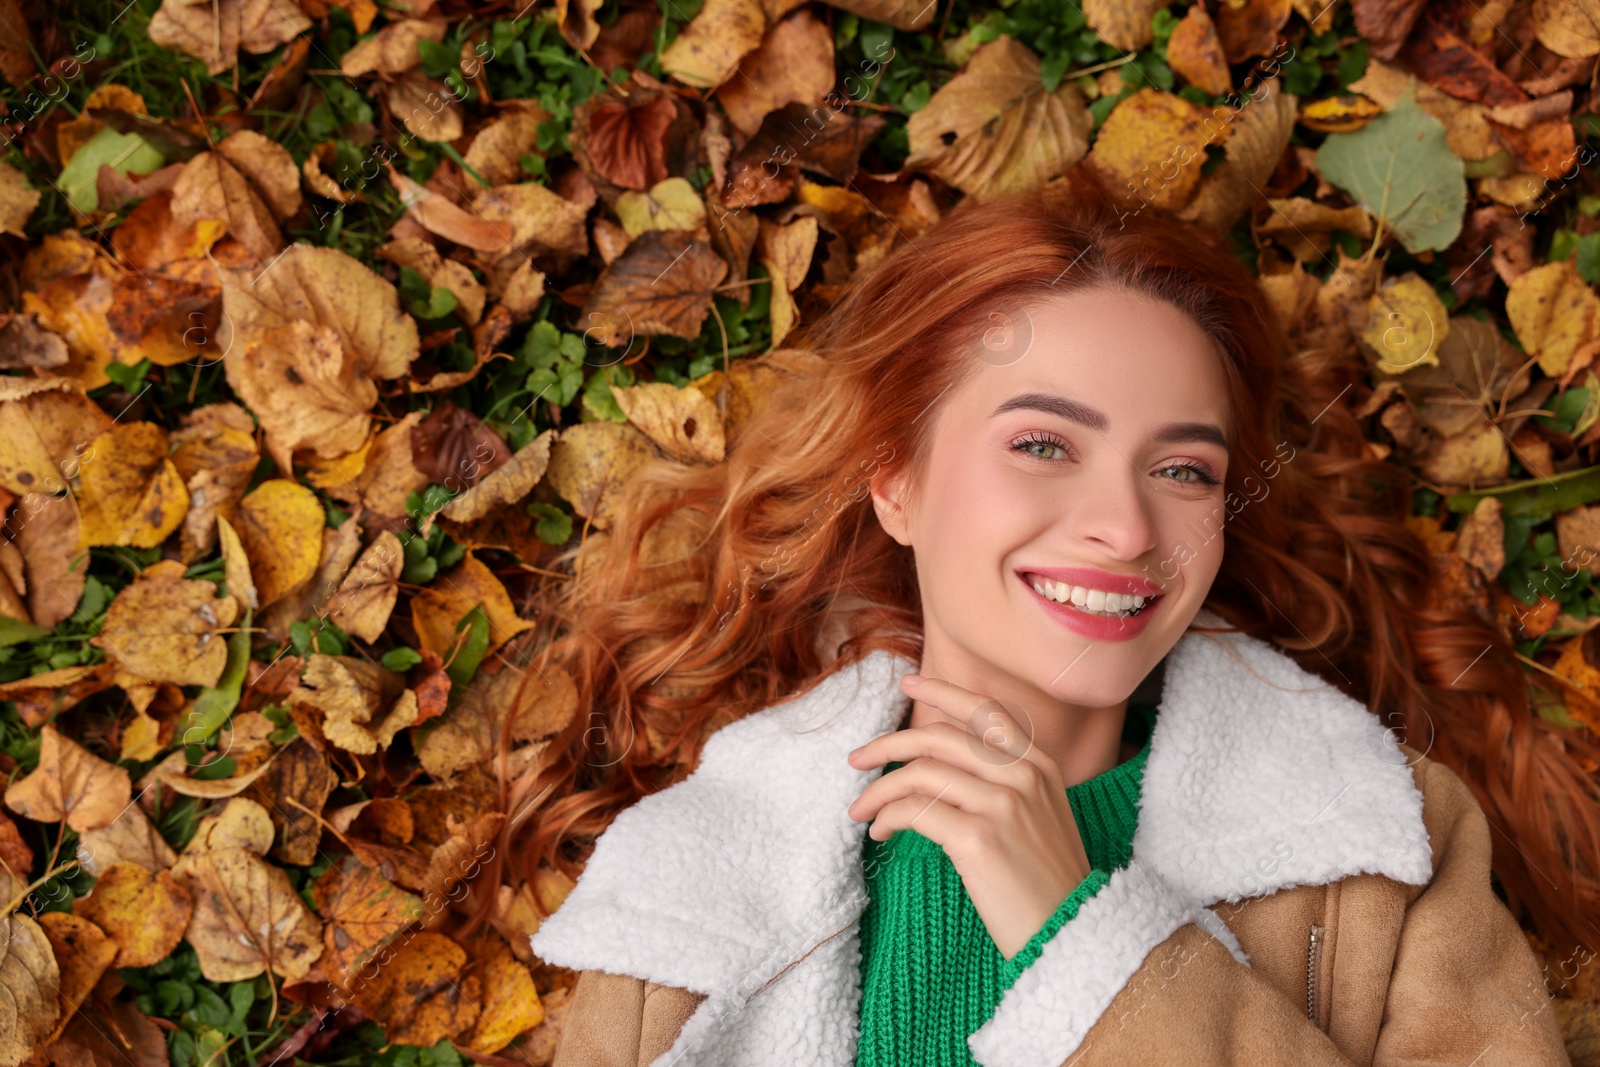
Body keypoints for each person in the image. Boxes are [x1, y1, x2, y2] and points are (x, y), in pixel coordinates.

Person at [513, 160, 1597, 1065]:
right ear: (895, 483)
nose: (1124, 526)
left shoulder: (1384, 846)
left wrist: (1081, 931)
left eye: (1181, 468)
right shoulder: (682, 892)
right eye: (1042, 445)